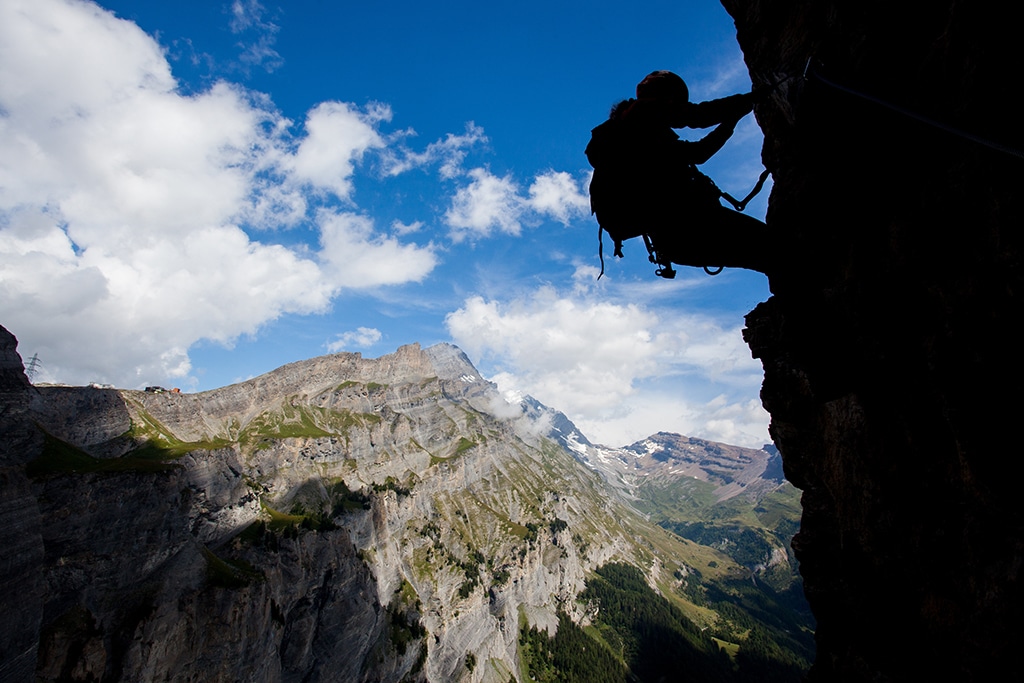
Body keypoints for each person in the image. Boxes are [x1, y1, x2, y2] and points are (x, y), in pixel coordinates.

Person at [585, 70, 771, 276]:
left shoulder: (636, 135)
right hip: (691, 227)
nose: (674, 108)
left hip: (675, 240)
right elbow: (699, 118)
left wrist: (733, 118)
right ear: (666, 96)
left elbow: (698, 151)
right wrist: (748, 101)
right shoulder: (641, 114)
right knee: (774, 248)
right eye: (674, 103)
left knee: (770, 256)